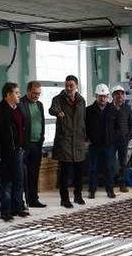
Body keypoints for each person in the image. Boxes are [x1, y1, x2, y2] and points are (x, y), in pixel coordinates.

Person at [0, 82, 27, 221]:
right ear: (8, 95)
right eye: (16, 93)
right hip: (4, 153)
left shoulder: (19, 108)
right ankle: (5, 211)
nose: (19, 95)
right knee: (5, 182)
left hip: (18, 151)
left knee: (19, 181)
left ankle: (18, 208)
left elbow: (23, 129)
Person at [49, 75, 86, 209]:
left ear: (76, 86)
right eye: (67, 85)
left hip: (78, 143)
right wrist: (58, 112)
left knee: (79, 173)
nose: (69, 88)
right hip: (64, 142)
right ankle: (64, 199)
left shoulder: (81, 101)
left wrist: (85, 137)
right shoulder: (58, 99)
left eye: (71, 85)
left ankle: (78, 196)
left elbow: (84, 120)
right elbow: (51, 109)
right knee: (64, 173)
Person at [85, 83, 117, 199]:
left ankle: (110, 190)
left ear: (108, 96)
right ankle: (92, 191)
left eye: (104, 96)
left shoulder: (113, 110)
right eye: (100, 96)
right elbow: (85, 126)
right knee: (93, 168)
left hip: (109, 145)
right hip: (94, 145)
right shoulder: (88, 110)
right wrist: (87, 139)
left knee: (109, 168)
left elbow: (117, 127)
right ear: (96, 96)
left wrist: (113, 139)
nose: (103, 98)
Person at [20, 80, 47, 208]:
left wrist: (42, 139)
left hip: (37, 144)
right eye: (34, 93)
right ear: (28, 91)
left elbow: (41, 122)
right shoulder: (20, 103)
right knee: (23, 174)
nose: (36, 96)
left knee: (34, 172)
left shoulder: (40, 105)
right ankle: (22, 201)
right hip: (25, 145)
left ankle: (33, 199)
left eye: (38, 94)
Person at [111, 85, 132, 193]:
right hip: (110, 141)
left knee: (123, 163)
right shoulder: (109, 108)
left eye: (121, 94)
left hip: (123, 141)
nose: (119, 96)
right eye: (117, 94)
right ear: (113, 96)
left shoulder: (127, 108)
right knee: (109, 162)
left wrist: (128, 136)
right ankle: (110, 184)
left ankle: (122, 184)